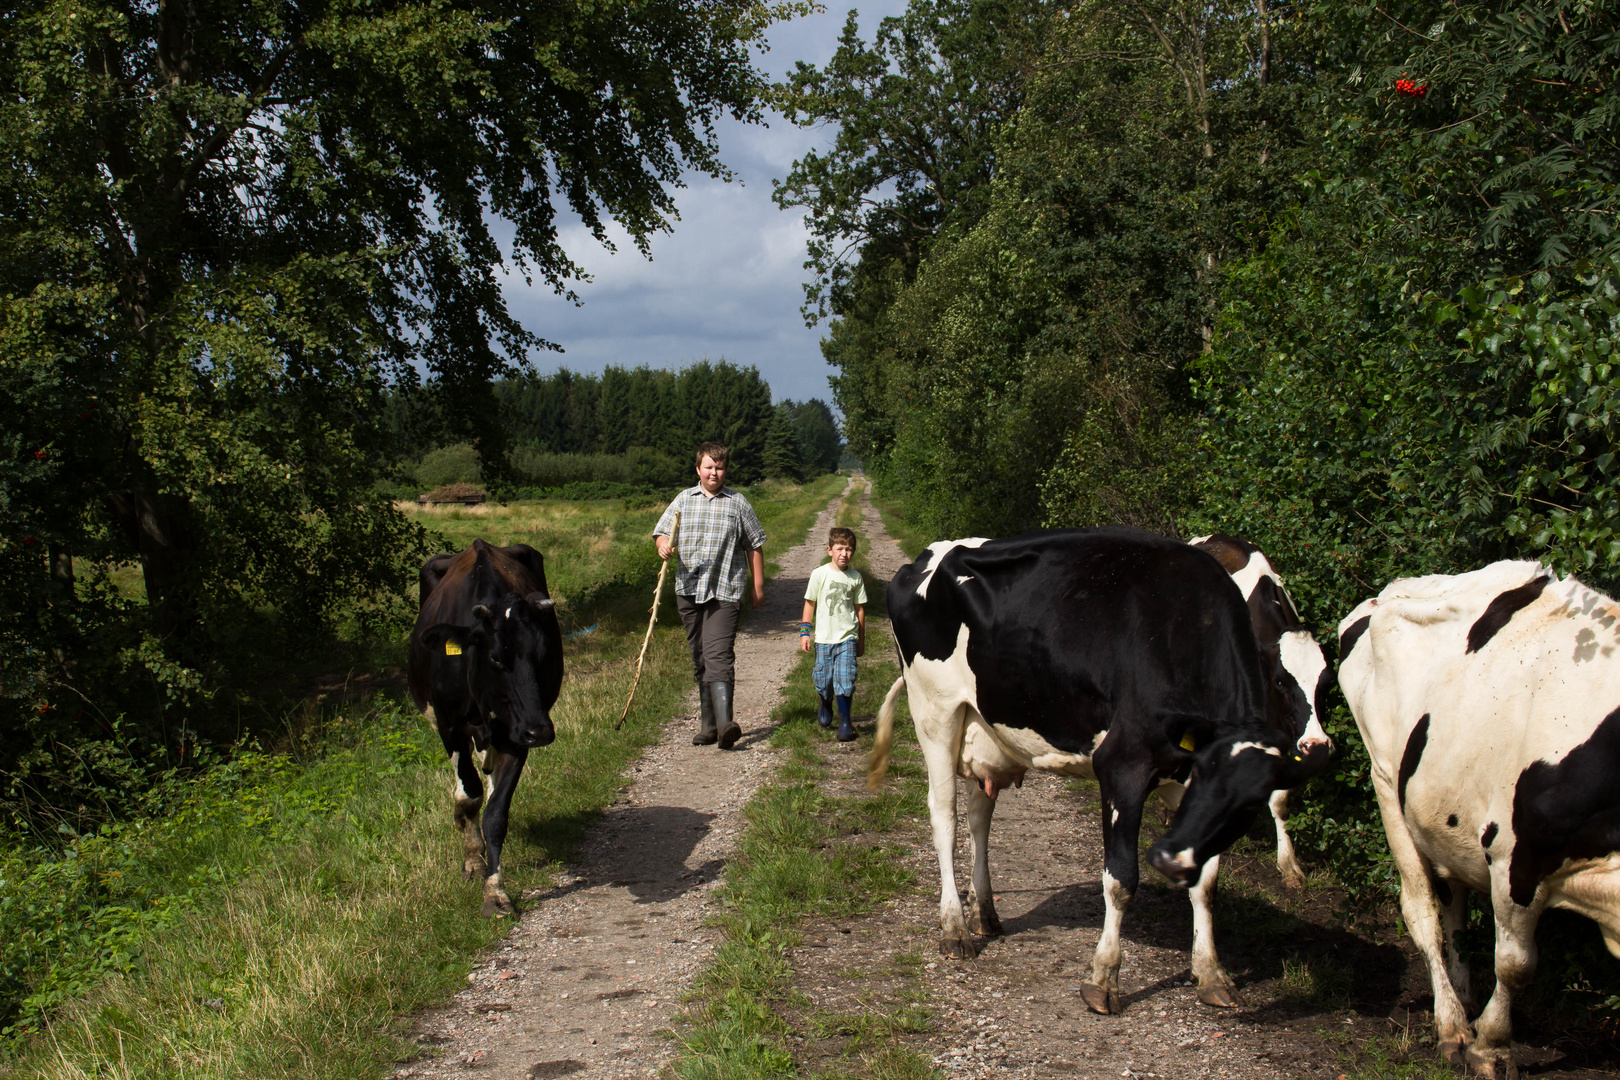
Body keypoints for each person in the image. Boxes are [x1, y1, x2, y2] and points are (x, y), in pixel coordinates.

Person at [654, 441, 767, 749]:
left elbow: (754, 545)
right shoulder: (683, 500)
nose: (714, 473)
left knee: (717, 654)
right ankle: (708, 726)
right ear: (698, 470)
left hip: (725, 590)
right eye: (708, 467)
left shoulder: (738, 503)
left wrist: (757, 587)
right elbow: (663, 533)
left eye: (719, 467)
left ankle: (726, 723)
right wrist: (663, 544)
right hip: (688, 590)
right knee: (700, 656)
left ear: (725, 470)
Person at [800, 526, 866, 742]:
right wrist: (805, 631)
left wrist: (861, 639)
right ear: (829, 550)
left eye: (848, 549)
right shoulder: (819, 574)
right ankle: (825, 701)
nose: (844, 554)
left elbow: (859, 609)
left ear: (853, 552)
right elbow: (810, 603)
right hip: (824, 638)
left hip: (847, 637)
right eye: (839, 549)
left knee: (845, 678)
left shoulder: (856, 578)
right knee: (824, 679)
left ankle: (845, 722)